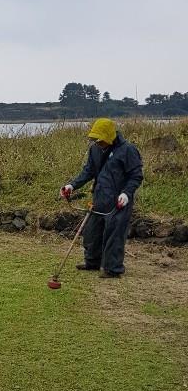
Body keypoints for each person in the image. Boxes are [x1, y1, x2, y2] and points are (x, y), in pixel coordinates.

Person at [60, 118, 143, 278]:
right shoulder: (95, 150)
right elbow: (88, 171)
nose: (97, 142)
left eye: (100, 139)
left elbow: (136, 176)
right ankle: (92, 262)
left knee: (114, 235)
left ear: (109, 136)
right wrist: (72, 185)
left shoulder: (128, 150)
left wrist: (126, 193)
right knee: (92, 233)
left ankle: (112, 269)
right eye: (95, 139)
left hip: (119, 201)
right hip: (99, 198)